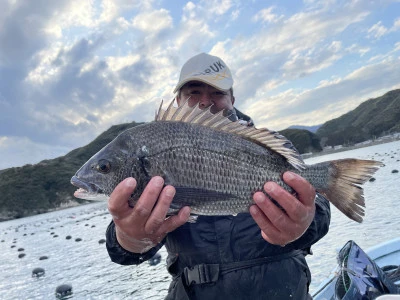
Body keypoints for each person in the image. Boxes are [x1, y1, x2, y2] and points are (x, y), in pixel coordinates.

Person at [105, 53, 331, 300]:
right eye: (194, 92)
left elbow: (317, 205)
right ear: (178, 100)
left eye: (217, 93)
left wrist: (306, 222)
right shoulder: (154, 153)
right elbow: (125, 251)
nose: (206, 102)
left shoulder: (273, 145)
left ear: (232, 98)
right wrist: (129, 238)